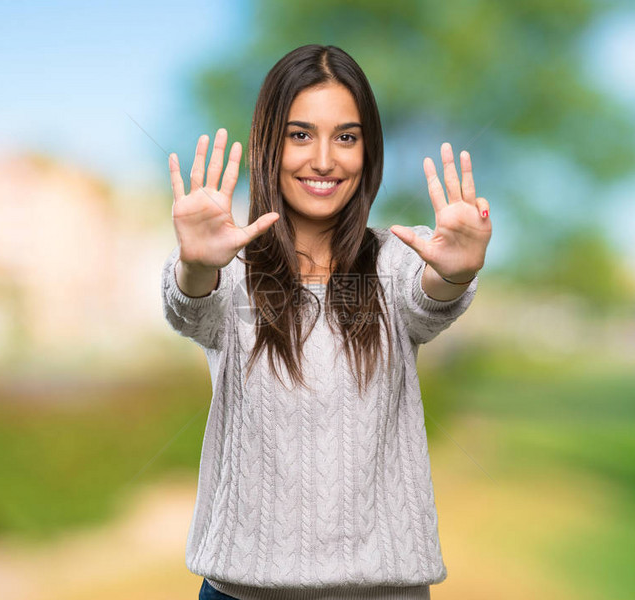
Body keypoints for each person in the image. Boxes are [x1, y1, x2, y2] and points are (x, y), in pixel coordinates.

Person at [163, 44, 492, 600]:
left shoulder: (394, 263)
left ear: (368, 151)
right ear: (271, 145)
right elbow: (192, 305)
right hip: (240, 592)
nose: (323, 159)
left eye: (346, 136)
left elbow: (428, 298)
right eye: (299, 135)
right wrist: (196, 263)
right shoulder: (231, 270)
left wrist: (456, 275)